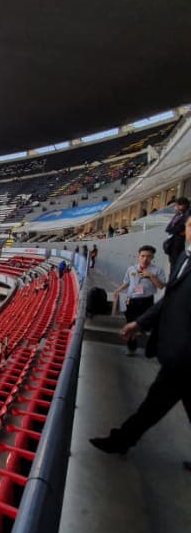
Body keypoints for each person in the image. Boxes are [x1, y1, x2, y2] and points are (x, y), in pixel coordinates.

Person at [91, 212, 191, 465]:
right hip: (177, 352)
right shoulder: (183, 258)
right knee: (156, 403)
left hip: (184, 356)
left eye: (188, 225)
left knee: (154, 403)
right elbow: (169, 300)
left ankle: (121, 440)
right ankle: (122, 440)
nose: (186, 230)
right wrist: (139, 322)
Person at [112, 245, 166, 356]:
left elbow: (161, 286)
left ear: (152, 258)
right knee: (130, 323)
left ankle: (145, 343)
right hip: (130, 300)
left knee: (143, 325)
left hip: (146, 301)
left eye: (148, 256)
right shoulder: (131, 269)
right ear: (138, 256)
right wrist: (118, 290)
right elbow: (127, 282)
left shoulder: (157, 270)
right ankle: (131, 347)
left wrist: (151, 276)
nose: (145, 259)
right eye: (143, 256)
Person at [163, 197, 189, 267]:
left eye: (178, 205)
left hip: (179, 243)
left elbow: (180, 227)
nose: (176, 207)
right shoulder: (177, 215)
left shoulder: (187, 214)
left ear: (184, 205)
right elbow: (168, 228)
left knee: (177, 264)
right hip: (172, 242)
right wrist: (174, 230)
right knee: (172, 263)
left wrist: (174, 230)